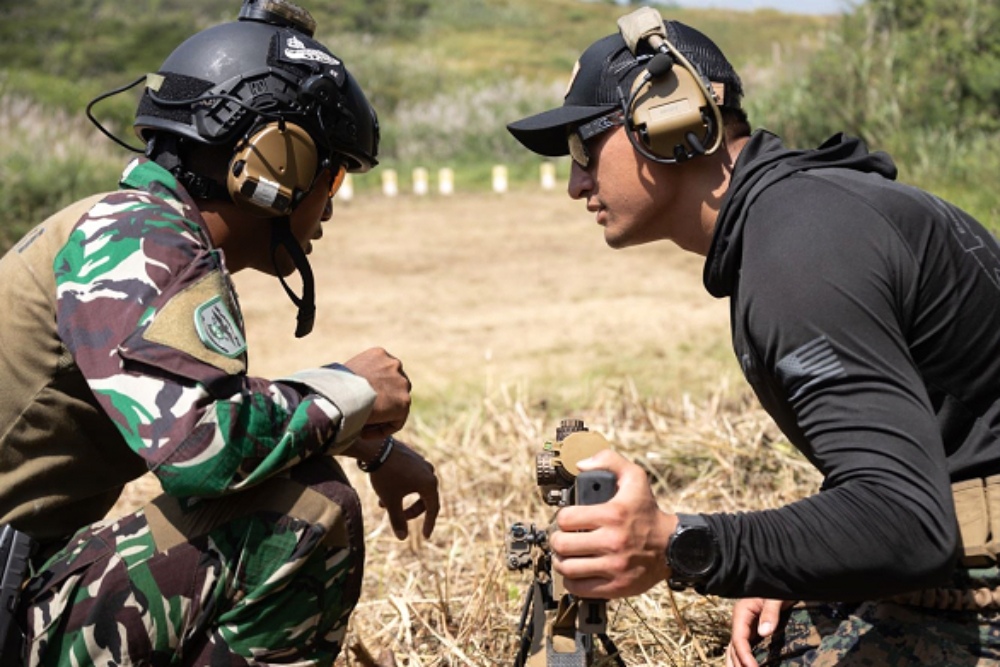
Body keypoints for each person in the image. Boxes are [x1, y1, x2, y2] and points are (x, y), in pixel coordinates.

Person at [507, 5, 1000, 666]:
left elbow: (908, 519)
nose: (576, 184)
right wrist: (790, 560)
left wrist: (678, 542)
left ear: (668, 117)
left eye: (582, 147)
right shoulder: (800, 219)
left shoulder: (800, 251)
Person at [0, 1, 439, 664]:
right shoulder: (137, 239)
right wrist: (351, 392)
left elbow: (201, 406)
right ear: (277, 162)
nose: (333, 199)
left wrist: (366, 441)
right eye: (335, 172)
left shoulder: (133, 227)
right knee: (307, 508)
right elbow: (203, 448)